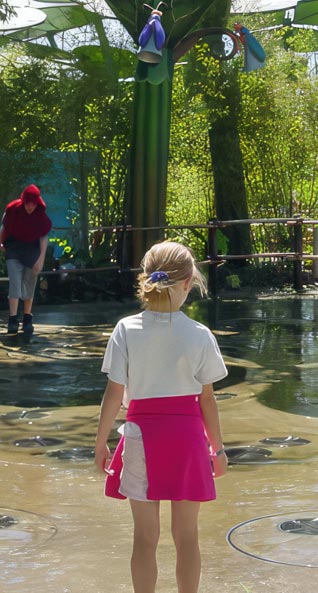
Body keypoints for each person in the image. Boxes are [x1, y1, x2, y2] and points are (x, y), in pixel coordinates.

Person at [94, 241, 228, 593]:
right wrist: (218, 449)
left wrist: (100, 442)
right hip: (186, 437)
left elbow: (113, 394)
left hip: (139, 435)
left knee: (144, 538)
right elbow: (207, 401)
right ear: (188, 283)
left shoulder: (125, 329)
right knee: (187, 537)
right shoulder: (199, 335)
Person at [0, 184, 52, 339]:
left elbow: (44, 236)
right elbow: (5, 225)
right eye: (27, 203)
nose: (29, 207)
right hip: (14, 248)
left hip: (32, 250)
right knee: (14, 282)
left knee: (29, 283)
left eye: (33, 203)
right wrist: (0, 241)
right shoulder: (13, 209)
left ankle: (27, 318)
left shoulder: (41, 216)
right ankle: (12, 319)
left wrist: (41, 259)